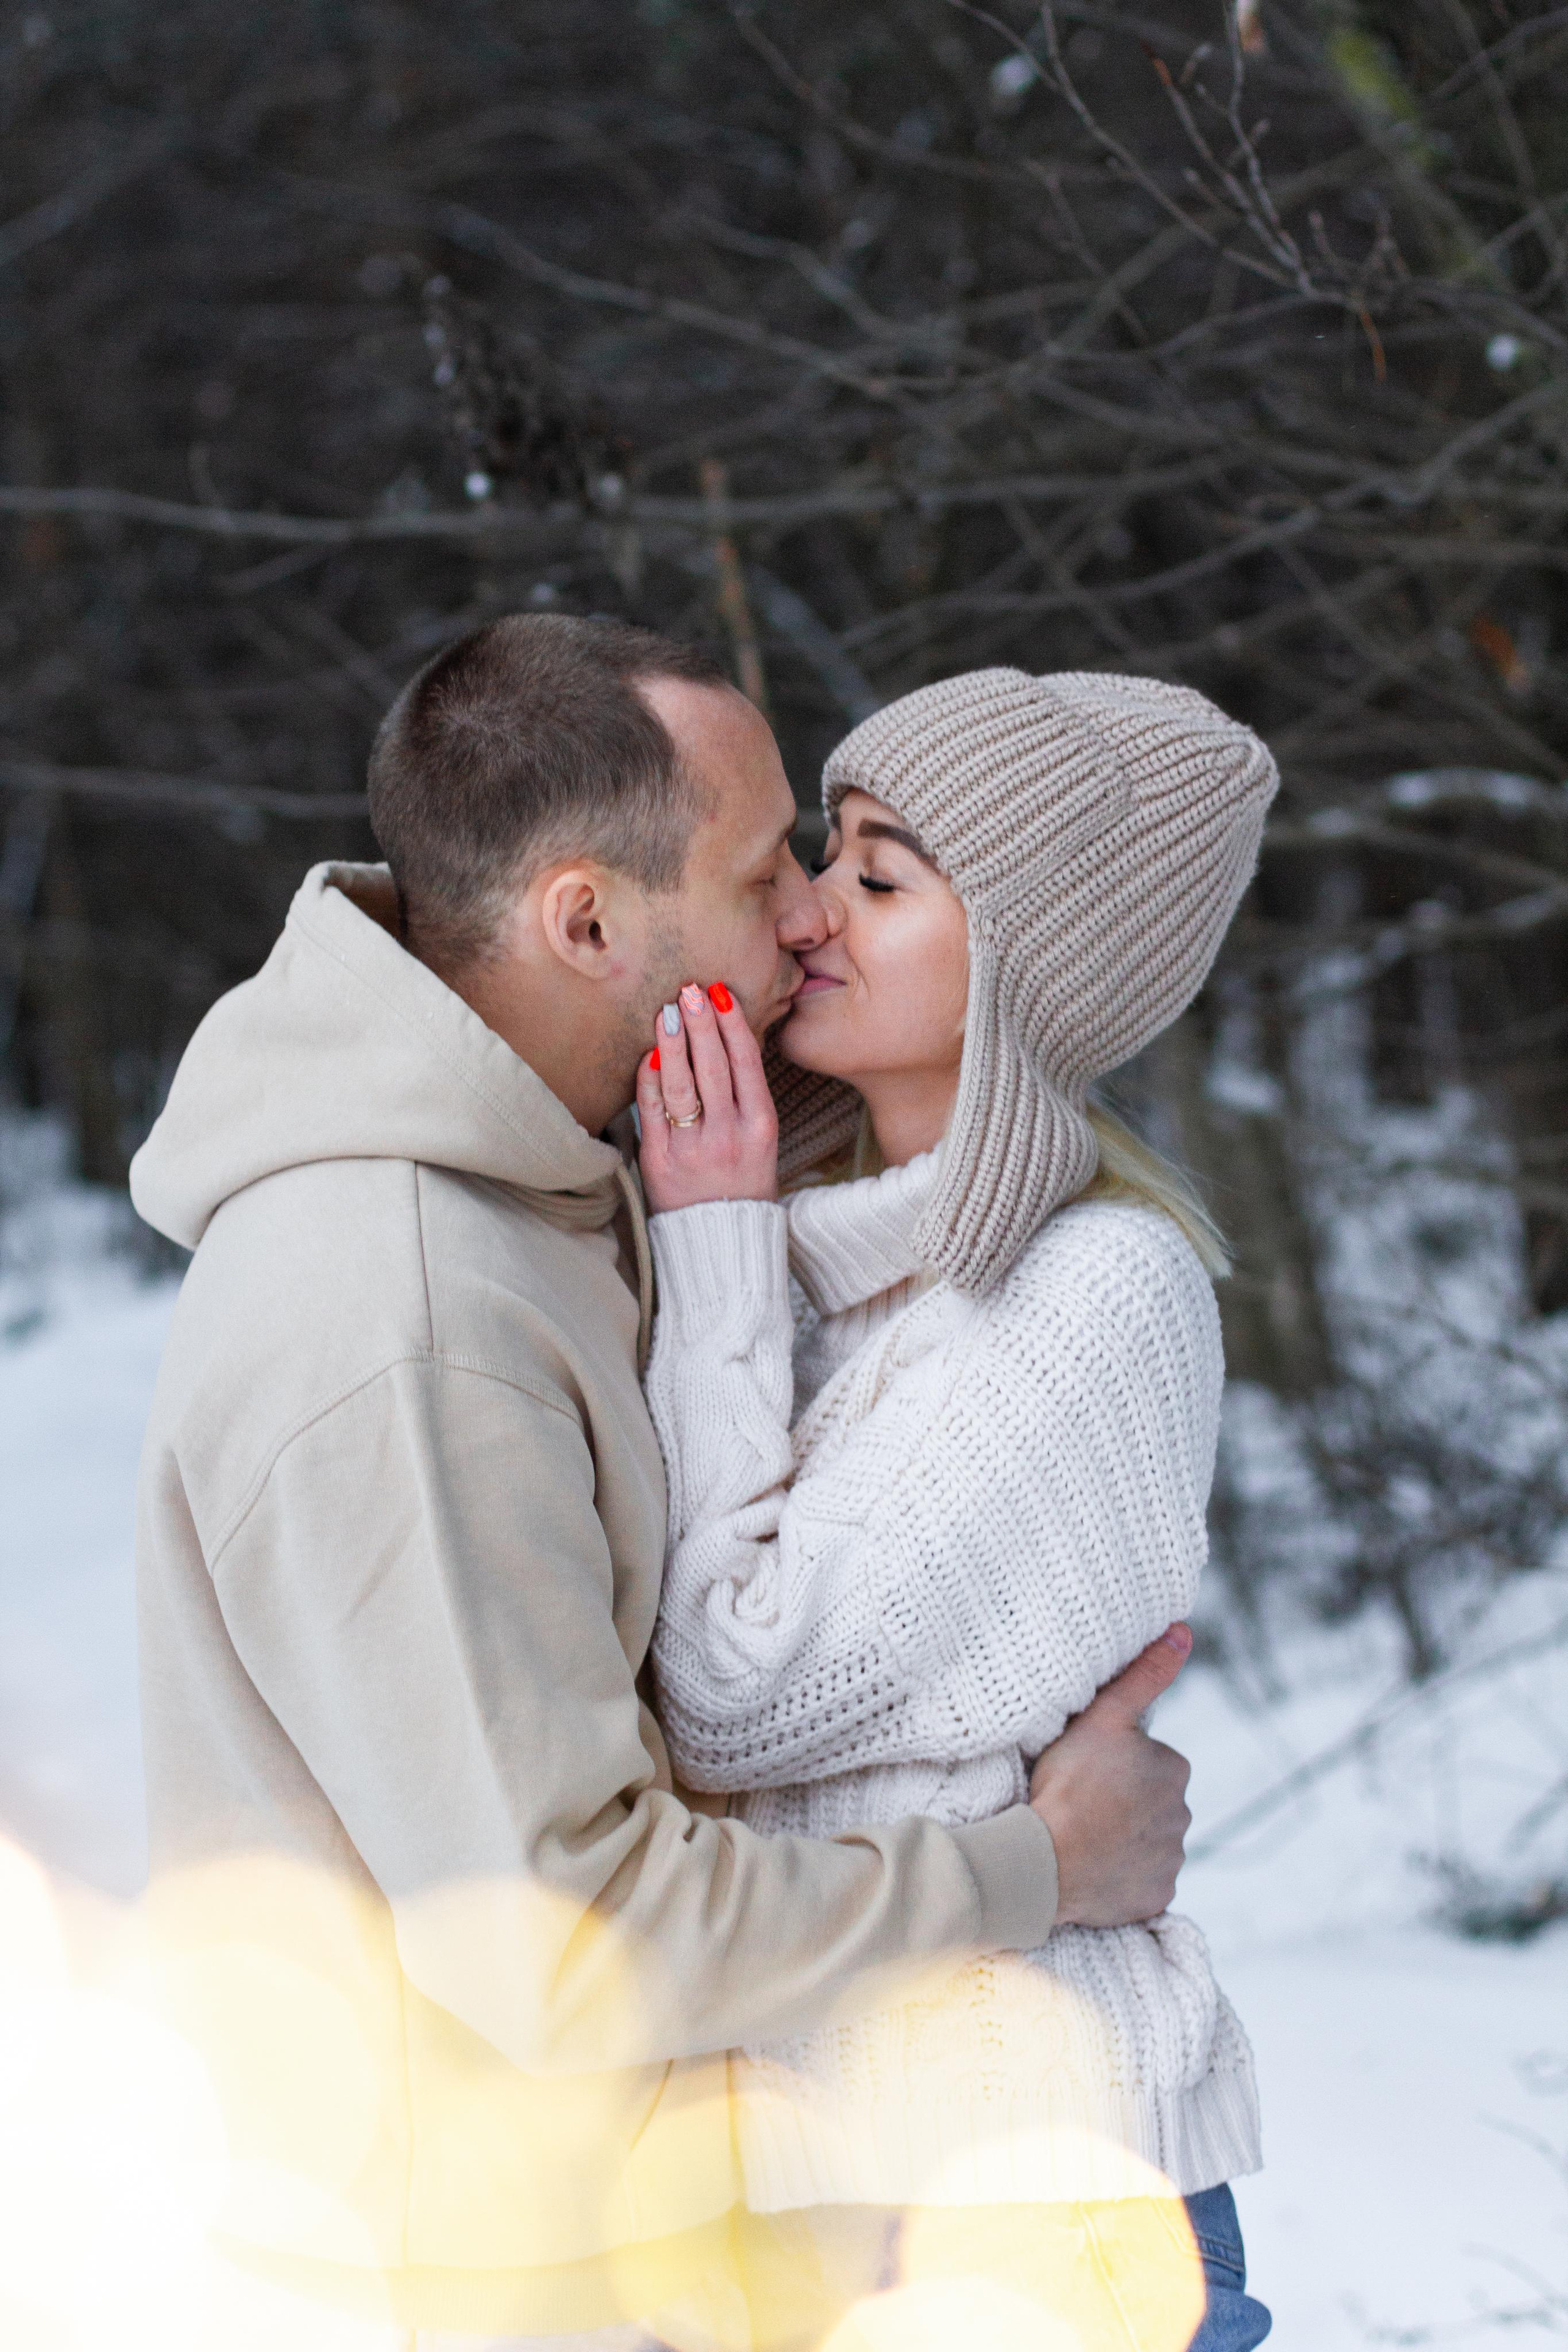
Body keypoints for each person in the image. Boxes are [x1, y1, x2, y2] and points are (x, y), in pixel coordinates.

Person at [129, 617, 1199, 2352]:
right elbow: (568, 1935)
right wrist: (1034, 1866)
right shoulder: (409, 1319)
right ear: (585, 919)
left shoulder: (549, 1197)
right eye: (766, 861)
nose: (803, 913)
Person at [635, 668, 1278, 2351]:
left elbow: (735, 1684)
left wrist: (712, 1243)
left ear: (1025, 964)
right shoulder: (825, 1259)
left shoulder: (1095, 1289)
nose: (807, 907)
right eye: (824, 854)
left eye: (879, 871)